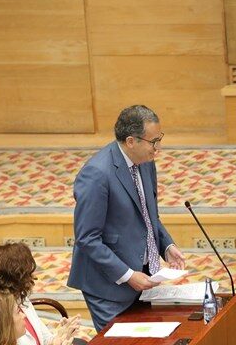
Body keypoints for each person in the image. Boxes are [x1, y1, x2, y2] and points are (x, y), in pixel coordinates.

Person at [67, 104, 186, 331]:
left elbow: (148, 216)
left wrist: (166, 245)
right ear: (131, 141)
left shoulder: (145, 163)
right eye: (153, 142)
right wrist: (128, 275)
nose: (158, 147)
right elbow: (87, 238)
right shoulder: (96, 174)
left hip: (145, 278)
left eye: (159, 139)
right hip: (107, 287)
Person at [0, 243, 80, 345]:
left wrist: (60, 336)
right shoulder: (2, 320)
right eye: (27, 272)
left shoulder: (20, 297)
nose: (33, 276)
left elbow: (44, 339)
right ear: (15, 277)